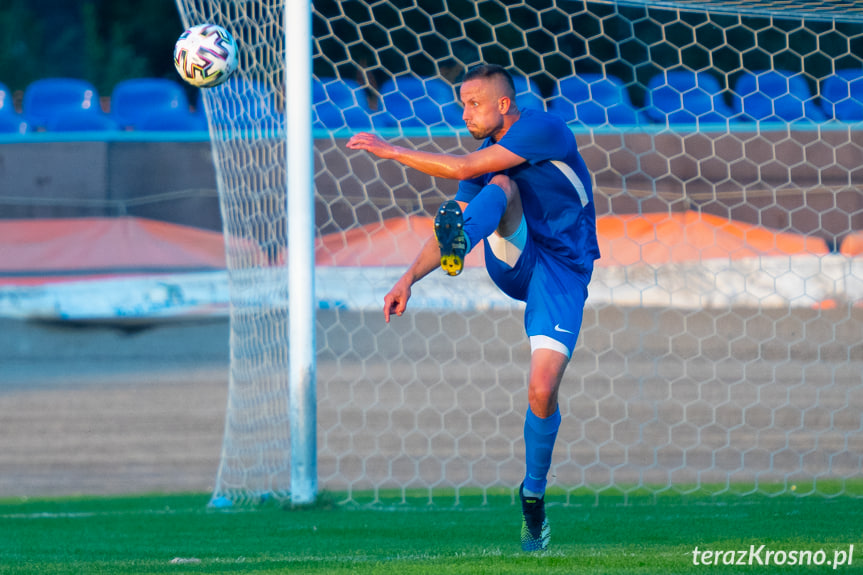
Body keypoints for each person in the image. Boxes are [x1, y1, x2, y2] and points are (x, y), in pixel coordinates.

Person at [347, 64, 600, 552]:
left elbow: (462, 168)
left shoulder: (544, 128)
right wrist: (407, 278)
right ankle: (461, 245)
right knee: (498, 188)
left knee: (542, 391)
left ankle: (532, 502)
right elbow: (463, 194)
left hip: (562, 272)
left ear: (504, 104)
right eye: (462, 104)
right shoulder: (491, 157)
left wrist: (390, 149)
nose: (465, 113)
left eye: (473, 103)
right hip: (513, 255)